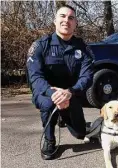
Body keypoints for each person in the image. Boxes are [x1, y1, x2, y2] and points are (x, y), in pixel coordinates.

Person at [26, 5, 94, 160]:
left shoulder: (83, 48)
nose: (66, 20)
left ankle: (64, 117)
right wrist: (54, 93)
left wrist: (70, 92)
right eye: (62, 16)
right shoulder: (40, 46)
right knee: (49, 103)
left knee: (80, 134)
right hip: (46, 93)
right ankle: (50, 139)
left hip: (71, 93)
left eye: (71, 18)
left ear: (76, 23)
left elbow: (87, 76)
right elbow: (35, 77)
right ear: (55, 20)